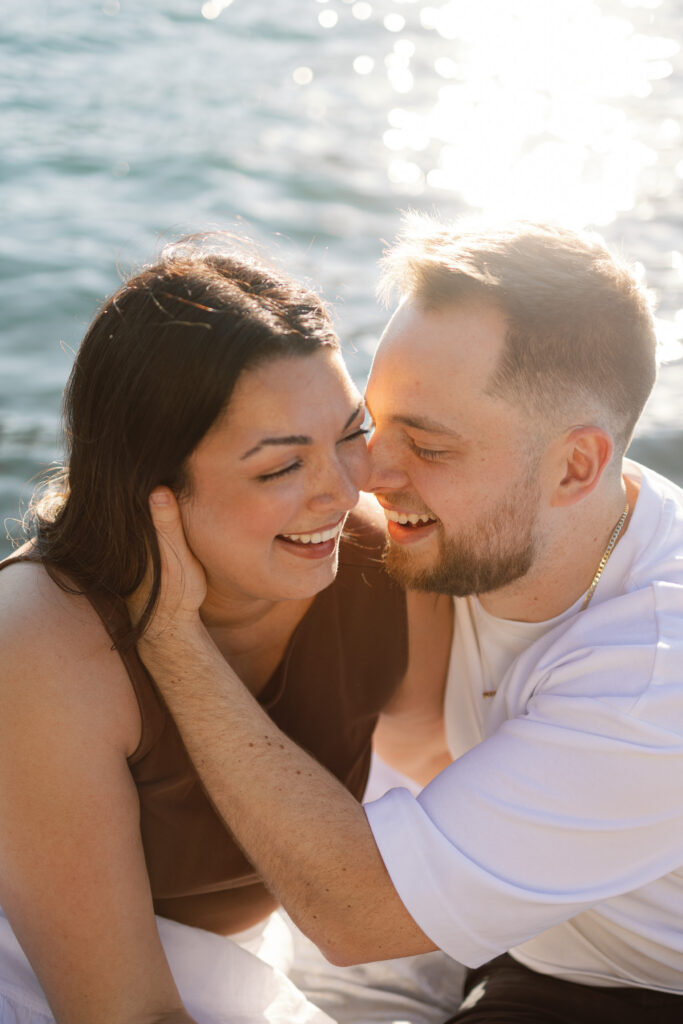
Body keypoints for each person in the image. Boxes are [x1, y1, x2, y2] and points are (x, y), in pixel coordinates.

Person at [132, 218, 683, 1023]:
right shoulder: (500, 524)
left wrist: (173, 643)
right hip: (537, 924)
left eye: (427, 446)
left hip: (636, 988)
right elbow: (423, 742)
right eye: (370, 424)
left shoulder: (651, 674)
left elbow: (358, 915)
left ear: (575, 466)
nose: (369, 473)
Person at [0, 236, 458, 1024]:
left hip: (257, 952)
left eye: (350, 432)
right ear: (153, 487)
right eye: (280, 467)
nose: (343, 490)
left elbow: (444, 777)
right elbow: (122, 1012)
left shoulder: (375, 557)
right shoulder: (41, 642)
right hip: (46, 969)